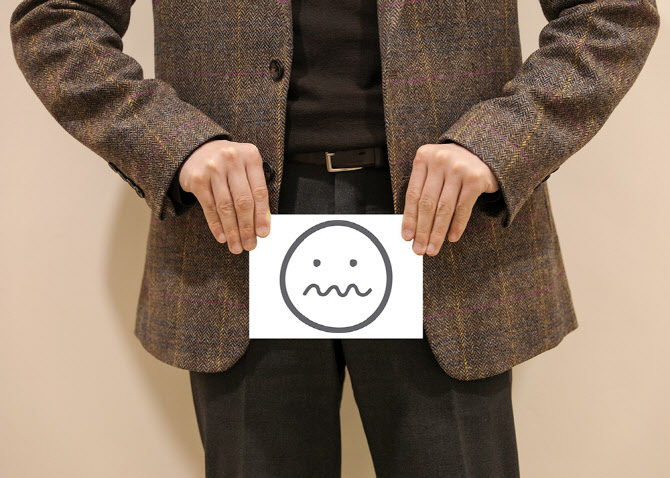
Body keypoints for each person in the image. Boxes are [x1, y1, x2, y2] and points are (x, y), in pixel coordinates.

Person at [10, 0, 660, 476]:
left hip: (444, 232)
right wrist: (174, 143)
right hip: (236, 235)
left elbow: (611, 12)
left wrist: (498, 143)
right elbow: (57, 18)